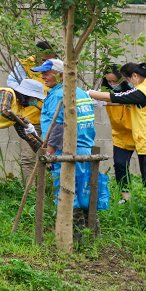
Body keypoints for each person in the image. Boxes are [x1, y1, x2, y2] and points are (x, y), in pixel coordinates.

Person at [34, 58, 104, 212]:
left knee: (66, 195)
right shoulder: (81, 93)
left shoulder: (59, 95)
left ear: (60, 76)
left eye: (46, 73)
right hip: (85, 150)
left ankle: (72, 232)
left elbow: (58, 128)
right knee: (84, 193)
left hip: (64, 151)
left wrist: (49, 154)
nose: (43, 77)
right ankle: (90, 230)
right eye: (42, 74)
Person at [87, 62, 146, 190]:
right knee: (126, 167)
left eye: (123, 80)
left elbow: (117, 98)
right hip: (135, 136)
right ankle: (129, 198)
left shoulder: (141, 91)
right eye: (110, 81)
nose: (113, 84)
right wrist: (102, 100)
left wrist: (90, 94)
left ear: (134, 76)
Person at [7, 41, 57, 185]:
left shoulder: (58, 65)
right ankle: (29, 192)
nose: (48, 62)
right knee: (28, 158)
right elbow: (12, 82)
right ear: (38, 54)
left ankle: (54, 189)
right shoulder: (24, 64)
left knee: (54, 156)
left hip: (51, 119)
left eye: (51, 59)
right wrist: (25, 94)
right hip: (30, 118)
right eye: (45, 59)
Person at [98, 67, 136, 195]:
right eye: (110, 81)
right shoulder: (105, 91)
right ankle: (125, 196)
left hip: (138, 133)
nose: (113, 85)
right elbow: (106, 97)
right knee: (120, 165)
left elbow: (121, 100)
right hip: (120, 134)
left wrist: (107, 101)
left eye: (115, 81)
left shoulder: (133, 92)